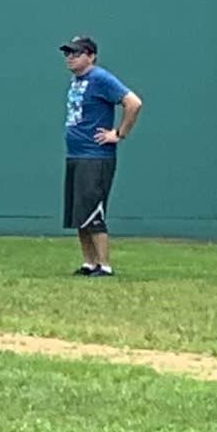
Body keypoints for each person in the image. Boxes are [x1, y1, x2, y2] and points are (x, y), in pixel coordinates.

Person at [58, 32, 141, 275]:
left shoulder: (101, 78)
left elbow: (133, 102)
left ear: (91, 56)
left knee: (93, 210)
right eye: (67, 54)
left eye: (76, 53)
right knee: (78, 212)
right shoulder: (77, 82)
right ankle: (89, 262)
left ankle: (104, 265)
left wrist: (118, 133)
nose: (69, 58)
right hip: (75, 154)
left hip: (95, 157)